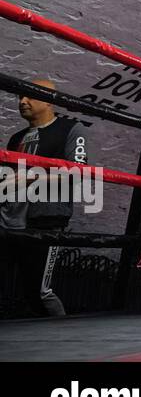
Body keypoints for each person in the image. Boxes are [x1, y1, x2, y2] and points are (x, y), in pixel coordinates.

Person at [2, 80, 88, 318]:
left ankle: (62, 344)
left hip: (45, 220)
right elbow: (7, 179)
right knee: (17, 290)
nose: (22, 102)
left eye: (28, 97)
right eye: (19, 97)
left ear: (49, 99)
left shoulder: (71, 128)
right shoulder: (17, 137)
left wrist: (29, 178)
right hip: (10, 221)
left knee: (41, 291)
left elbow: (78, 173)